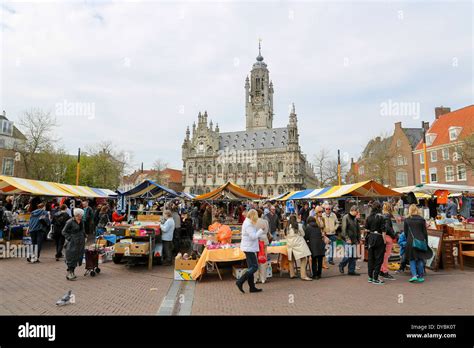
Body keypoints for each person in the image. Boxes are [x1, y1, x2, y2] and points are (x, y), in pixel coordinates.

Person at [236, 209, 265, 293]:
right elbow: (253, 236)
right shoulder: (248, 224)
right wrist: (261, 230)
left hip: (249, 247)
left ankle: (252, 287)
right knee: (254, 267)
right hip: (249, 248)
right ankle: (240, 281)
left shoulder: (248, 222)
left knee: (251, 267)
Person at [404, 204, 433, 283]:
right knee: (420, 258)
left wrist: (408, 240)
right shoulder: (421, 219)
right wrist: (426, 242)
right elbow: (425, 232)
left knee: (412, 258)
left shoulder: (407, 220)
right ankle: (420, 276)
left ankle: (414, 275)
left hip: (410, 241)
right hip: (421, 241)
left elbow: (405, 232)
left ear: (409, 210)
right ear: (417, 210)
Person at [285, 214, 312, 281]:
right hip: (298, 244)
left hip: (290, 245)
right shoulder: (299, 226)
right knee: (303, 259)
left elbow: (285, 236)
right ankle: (303, 275)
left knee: (291, 259)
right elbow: (303, 234)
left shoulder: (287, 227)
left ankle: (292, 274)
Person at [365, 201, 386, 285]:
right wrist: (384, 242)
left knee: (371, 258)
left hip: (371, 237)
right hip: (379, 237)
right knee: (379, 259)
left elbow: (366, 229)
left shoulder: (369, 217)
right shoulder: (382, 217)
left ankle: (370, 277)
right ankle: (375, 278)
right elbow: (384, 231)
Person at [62, 208, 86, 281]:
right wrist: (69, 238)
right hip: (72, 242)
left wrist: (85, 236)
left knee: (78, 256)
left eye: (82, 215)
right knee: (71, 256)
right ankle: (70, 272)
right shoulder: (70, 222)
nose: (81, 216)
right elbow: (64, 231)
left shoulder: (81, 221)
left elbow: (82, 230)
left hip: (80, 241)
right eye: (80, 215)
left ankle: (72, 272)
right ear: (77, 215)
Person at [338, 205, 361, 276]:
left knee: (353, 256)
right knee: (349, 254)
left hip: (354, 239)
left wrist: (358, 239)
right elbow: (343, 230)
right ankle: (341, 265)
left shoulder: (355, 219)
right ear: (353, 210)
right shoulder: (346, 217)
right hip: (347, 240)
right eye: (357, 212)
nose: (357, 213)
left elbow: (358, 229)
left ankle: (351, 270)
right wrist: (347, 239)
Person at [304, 211, 326, 279]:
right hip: (320, 245)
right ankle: (319, 274)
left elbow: (306, 237)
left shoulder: (308, 227)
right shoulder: (318, 227)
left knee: (314, 261)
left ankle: (315, 275)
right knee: (320, 260)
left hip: (313, 246)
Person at [380, 202, 396, 280]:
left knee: (382, 255)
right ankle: (385, 271)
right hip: (387, 237)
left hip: (382, 236)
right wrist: (394, 235)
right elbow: (388, 228)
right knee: (386, 256)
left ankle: (381, 270)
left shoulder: (381, 215)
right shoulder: (387, 216)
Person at [255, 209, 271, 284]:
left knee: (255, 260)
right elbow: (267, 231)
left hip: (255, 241)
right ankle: (263, 278)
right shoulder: (265, 221)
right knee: (263, 259)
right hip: (264, 241)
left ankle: (256, 277)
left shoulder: (253, 222)